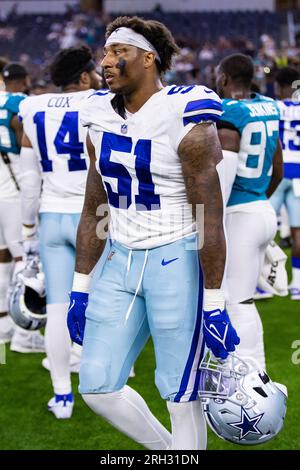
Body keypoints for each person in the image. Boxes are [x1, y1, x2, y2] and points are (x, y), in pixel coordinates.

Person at [67, 16, 239, 450]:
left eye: (117, 52)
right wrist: (80, 285)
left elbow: (209, 214)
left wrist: (215, 300)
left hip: (175, 258)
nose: (105, 61)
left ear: (149, 59)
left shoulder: (185, 110)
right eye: (105, 52)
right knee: (97, 386)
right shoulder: (95, 113)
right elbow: (95, 204)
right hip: (120, 257)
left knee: (181, 396)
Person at [18, 46, 101, 419]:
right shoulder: (102, 101)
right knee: (101, 304)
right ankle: (104, 382)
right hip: (95, 215)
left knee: (56, 309)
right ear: (84, 77)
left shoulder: (32, 107)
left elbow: (29, 178)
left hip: (52, 214)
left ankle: (62, 396)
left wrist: (27, 227)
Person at [215, 53, 283, 370]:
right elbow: (278, 168)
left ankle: (252, 375)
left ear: (225, 78)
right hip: (262, 208)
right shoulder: (269, 106)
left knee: (237, 301)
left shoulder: (230, 111)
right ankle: (254, 369)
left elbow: (224, 173)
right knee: (242, 300)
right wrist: (258, 199)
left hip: (241, 214)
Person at [0, 62, 45, 353]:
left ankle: (4, 326)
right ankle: (24, 333)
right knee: (23, 260)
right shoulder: (20, 103)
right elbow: (28, 143)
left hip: (0, 185)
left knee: (3, 258)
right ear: (25, 79)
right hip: (15, 190)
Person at [270, 67, 300, 300]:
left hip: (278, 171)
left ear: (278, 85)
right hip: (299, 172)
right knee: (298, 232)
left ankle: (268, 278)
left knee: (266, 229)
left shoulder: (273, 107)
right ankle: (297, 283)